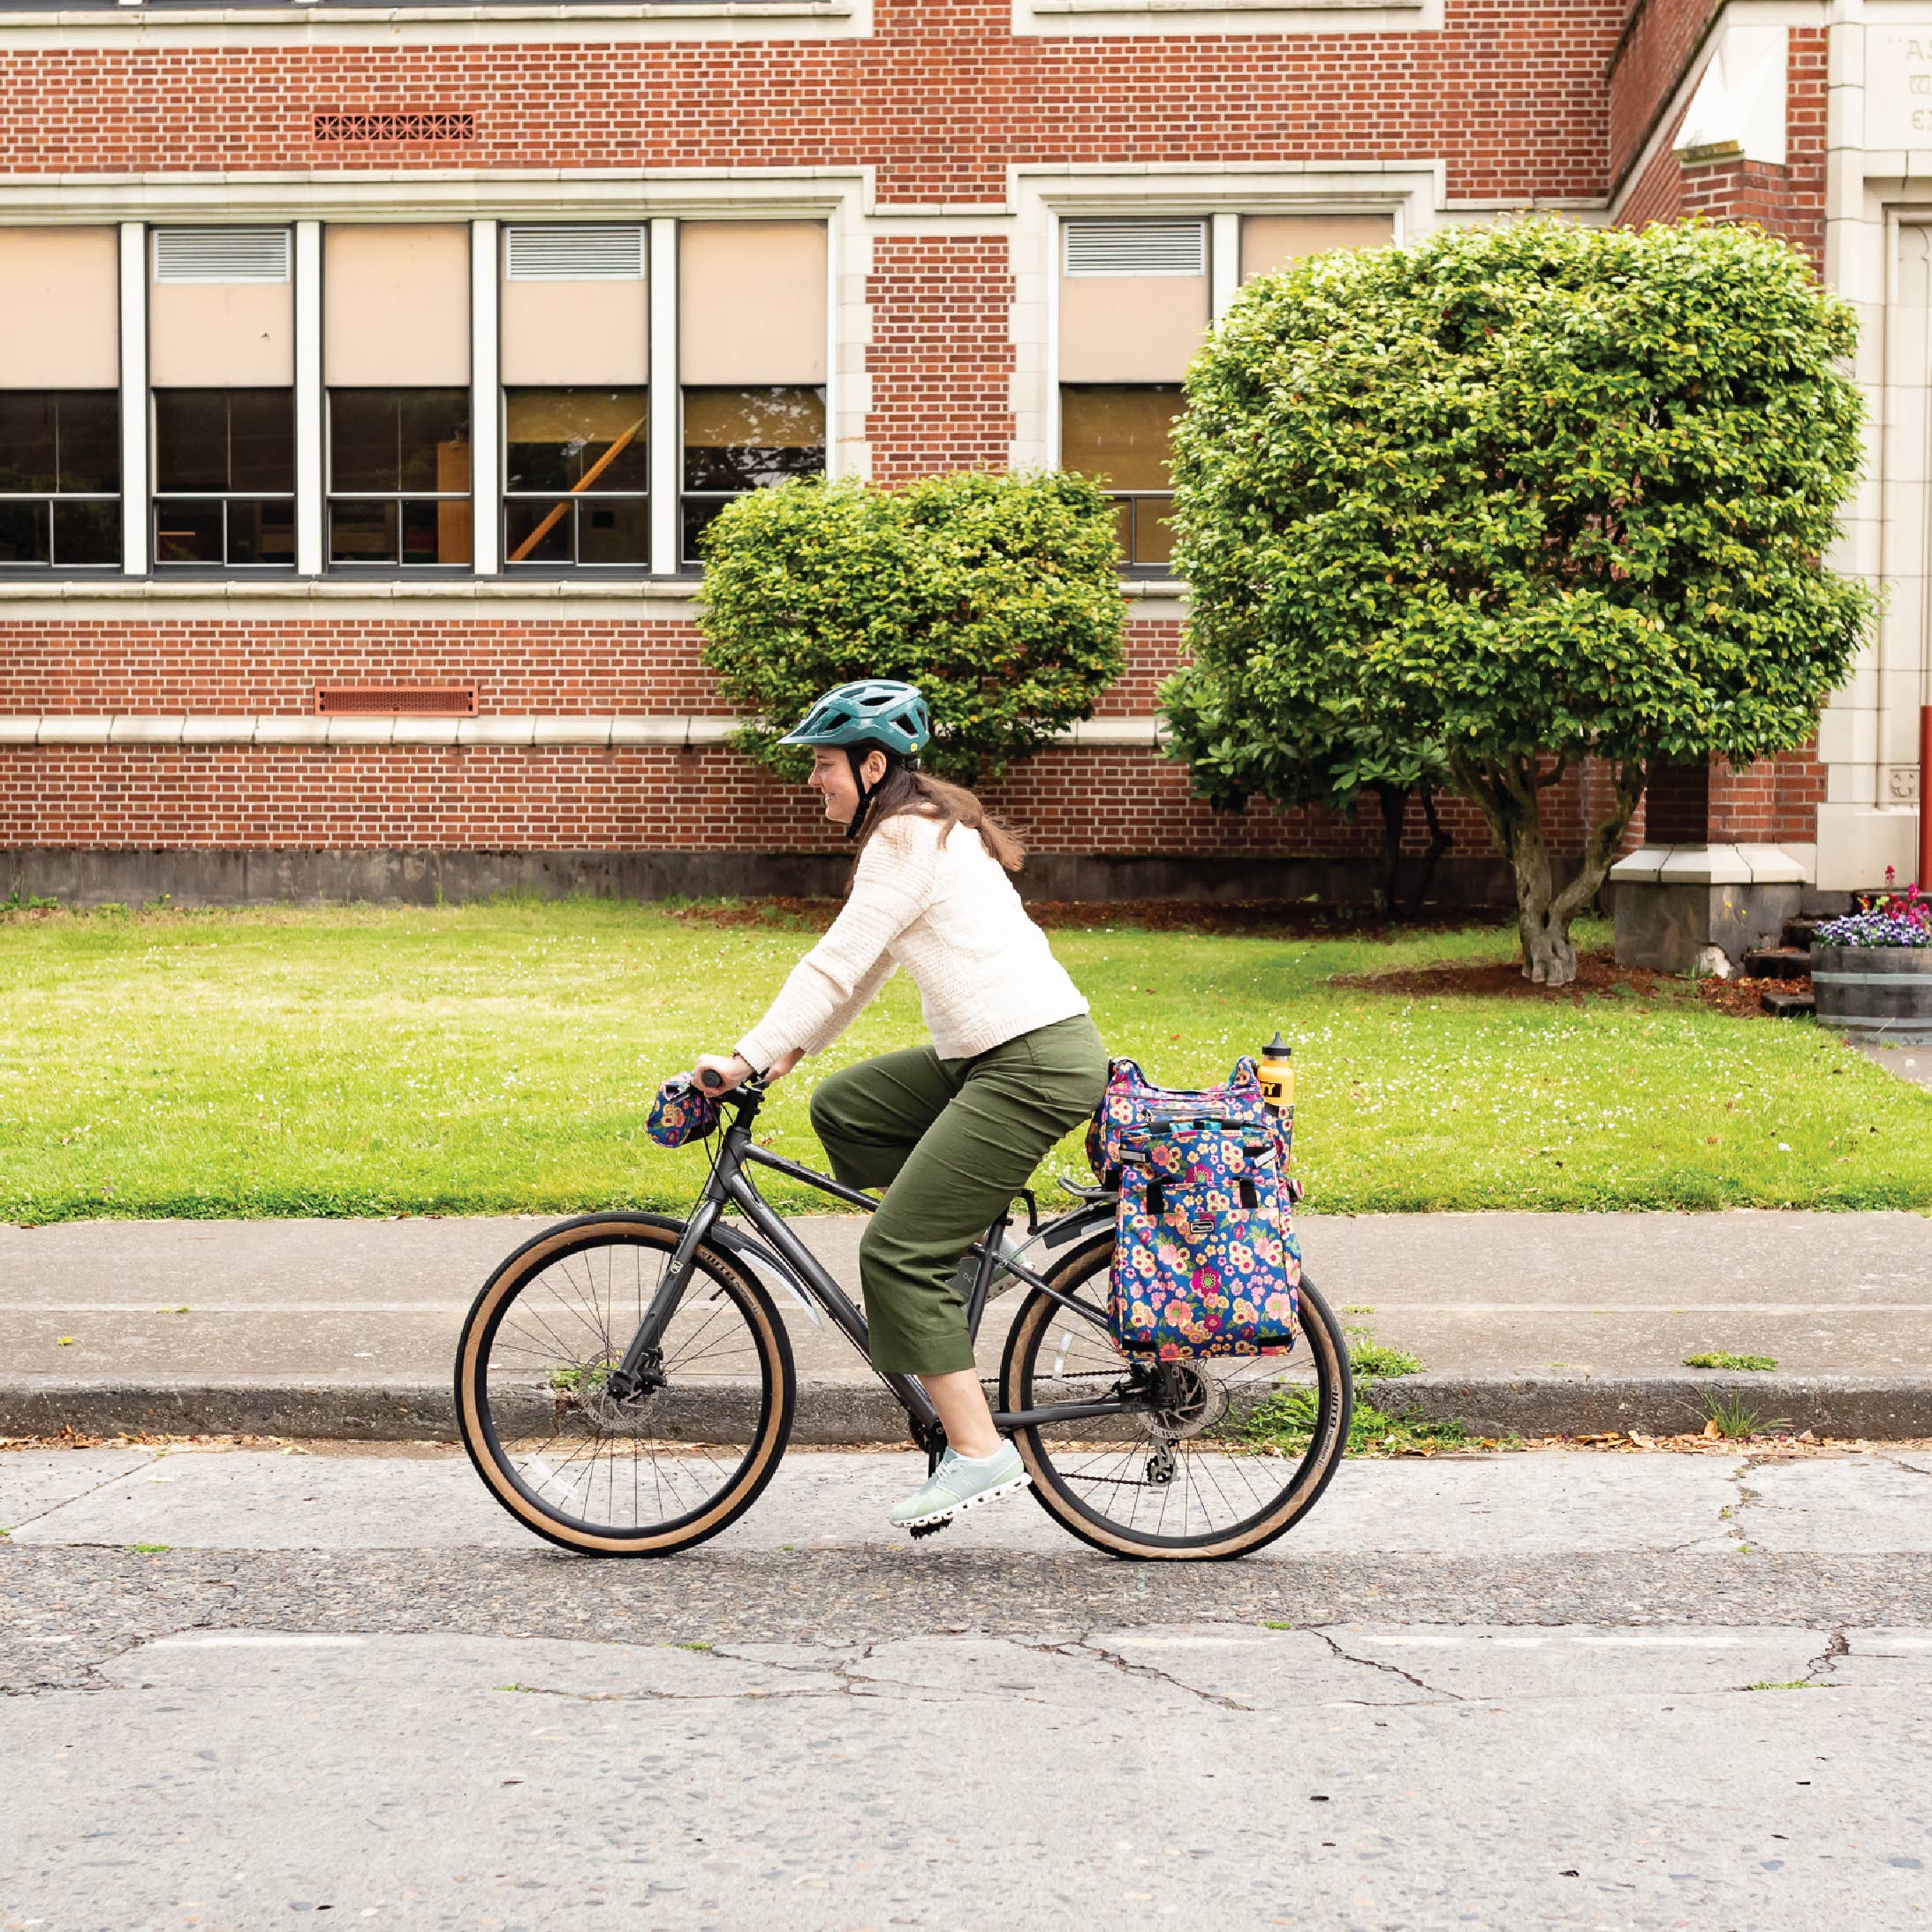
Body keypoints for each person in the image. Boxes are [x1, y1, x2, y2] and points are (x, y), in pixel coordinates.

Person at [691, 679, 1109, 1531]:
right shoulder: (922, 829)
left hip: (1025, 1062)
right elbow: (867, 966)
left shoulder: (907, 838)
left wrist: (738, 1059)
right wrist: (785, 1057)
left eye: (822, 763)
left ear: (872, 763)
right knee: (848, 1108)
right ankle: (958, 1235)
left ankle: (978, 1451)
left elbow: (834, 961)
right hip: (997, 1052)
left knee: (891, 1253)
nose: (814, 780)